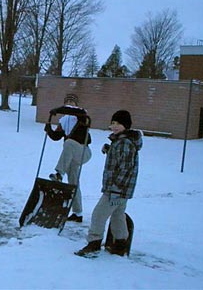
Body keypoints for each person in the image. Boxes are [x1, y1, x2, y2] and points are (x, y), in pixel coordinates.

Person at [75, 110, 142, 257]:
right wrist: (109, 149)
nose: (115, 126)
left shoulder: (124, 143)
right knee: (118, 216)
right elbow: (121, 158)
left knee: (98, 214)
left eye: (119, 124)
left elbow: (125, 167)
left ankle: (94, 243)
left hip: (116, 189)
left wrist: (116, 187)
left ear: (126, 125)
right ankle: (120, 244)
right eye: (113, 123)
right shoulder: (121, 141)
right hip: (122, 190)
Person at [44, 93, 92, 223]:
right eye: (67, 101)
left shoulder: (82, 115)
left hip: (83, 151)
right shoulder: (64, 120)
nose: (70, 103)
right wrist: (49, 129)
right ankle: (78, 213)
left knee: (69, 142)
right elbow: (56, 136)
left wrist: (59, 110)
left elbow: (73, 111)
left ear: (77, 104)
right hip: (71, 156)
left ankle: (59, 173)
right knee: (73, 183)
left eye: (72, 101)